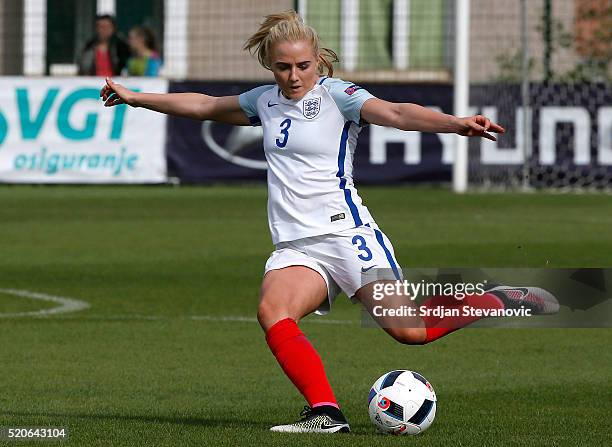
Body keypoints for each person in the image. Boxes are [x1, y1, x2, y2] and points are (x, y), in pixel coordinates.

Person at [99, 10, 558, 434]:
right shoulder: (264, 102)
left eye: (302, 66)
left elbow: (397, 113)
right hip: (297, 246)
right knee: (272, 312)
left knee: (410, 333)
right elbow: (202, 105)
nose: (294, 76)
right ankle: (325, 412)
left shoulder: (340, 96)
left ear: (318, 61)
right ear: (270, 66)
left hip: (348, 234)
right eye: (283, 67)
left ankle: (498, 299)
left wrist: (455, 124)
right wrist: (136, 97)